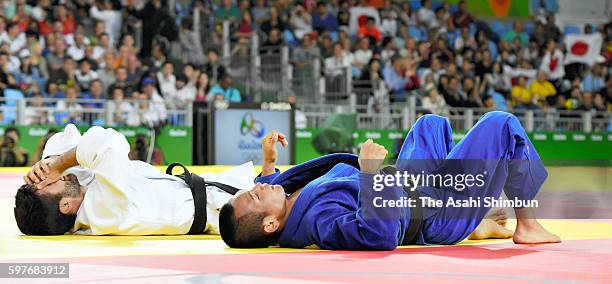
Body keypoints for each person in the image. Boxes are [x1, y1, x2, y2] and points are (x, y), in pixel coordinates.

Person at [219, 111, 561, 249]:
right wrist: (369, 175)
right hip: (431, 212)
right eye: (253, 196)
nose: (258, 187)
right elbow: (379, 236)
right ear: (268, 225)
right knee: (502, 124)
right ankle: (525, 225)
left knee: (431, 124)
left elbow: (275, 193)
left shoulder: (288, 208)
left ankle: (472, 215)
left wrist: (268, 167)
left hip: (411, 183)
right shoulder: (318, 222)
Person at [14, 124, 256, 236]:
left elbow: (69, 134)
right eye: (48, 183)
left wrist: (50, 161)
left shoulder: (79, 190)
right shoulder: (103, 214)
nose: (55, 176)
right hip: (231, 210)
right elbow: (109, 142)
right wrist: (59, 163)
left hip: (217, 186)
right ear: (64, 205)